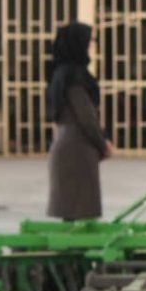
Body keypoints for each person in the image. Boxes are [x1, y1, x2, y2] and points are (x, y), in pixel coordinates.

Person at [46, 22, 113, 220]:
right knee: (79, 215)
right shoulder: (75, 76)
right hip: (77, 152)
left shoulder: (60, 74)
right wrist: (103, 144)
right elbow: (87, 118)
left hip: (69, 147)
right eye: (88, 41)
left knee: (72, 215)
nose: (91, 46)